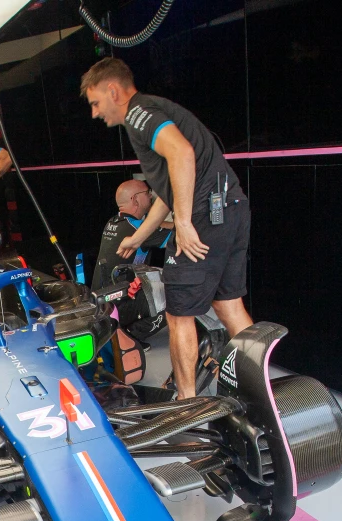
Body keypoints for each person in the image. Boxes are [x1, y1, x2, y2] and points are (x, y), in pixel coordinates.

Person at [81, 57, 253, 399]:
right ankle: (262, 394)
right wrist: (140, 236)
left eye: (95, 103)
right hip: (230, 207)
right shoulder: (155, 109)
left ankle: (186, 405)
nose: (95, 113)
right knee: (229, 307)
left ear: (113, 91)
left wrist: (185, 223)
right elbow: (166, 188)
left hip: (207, 215)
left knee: (178, 315)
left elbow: (182, 154)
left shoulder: (139, 114)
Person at [91, 179, 174, 287]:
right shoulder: (138, 229)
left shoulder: (113, 221)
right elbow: (180, 235)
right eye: (147, 192)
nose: (150, 196)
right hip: (121, 299)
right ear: (135, 199)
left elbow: (150, 225)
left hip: (100, 295)